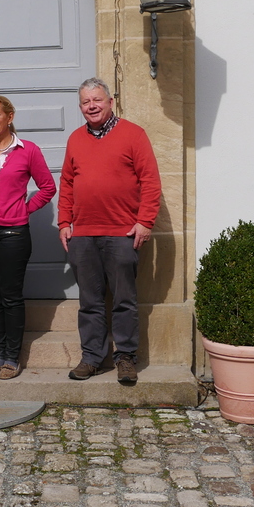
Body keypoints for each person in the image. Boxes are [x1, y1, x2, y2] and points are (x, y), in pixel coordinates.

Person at [58, 78, 161, 386]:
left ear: (110, 101)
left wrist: (145, 221)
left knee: (124, 300)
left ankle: (126, 358)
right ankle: (91, 358)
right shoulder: (76, 139)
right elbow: (67, 183)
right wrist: (64, 222)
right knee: (89, 301)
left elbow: (151, 181)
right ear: (80, 107)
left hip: (122, 233)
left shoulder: (134, 135)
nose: (92, 106)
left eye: (97, 100)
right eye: (86, 102)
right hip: (84, 234)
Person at [0, 96, 56, 379]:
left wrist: (24, 208)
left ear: (10, 117)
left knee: (11, 296)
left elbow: (47, 187)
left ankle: (12, 356)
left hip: (14, 234)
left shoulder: (28, 150)